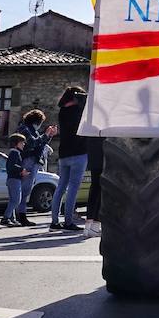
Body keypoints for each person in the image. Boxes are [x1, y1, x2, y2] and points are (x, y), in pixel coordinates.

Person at [50, 87, 88, 232]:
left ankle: (54, 221)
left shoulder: (62, 112)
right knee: (73, 188)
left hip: (64, 153)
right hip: (79, 152)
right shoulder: (79, 111)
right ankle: (68, 221)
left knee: (61, 187)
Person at [16, 109, 56, 226]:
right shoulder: (25, 129)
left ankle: (20, 214)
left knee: (26, 189)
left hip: (33, 161)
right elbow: (32, 143)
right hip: (28, 160)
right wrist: (45, 135)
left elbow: (41, 144)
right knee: (24, 189)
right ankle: (20, 215)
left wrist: (49, 136)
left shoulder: (32, 130)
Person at [1, 132, 29, 227]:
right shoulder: (14, 153)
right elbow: (11, 166)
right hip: (14, 180)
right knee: (16, 200)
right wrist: (22, 170)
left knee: (13, 200)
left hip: (14, 179)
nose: (24, 144)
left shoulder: (15, 153)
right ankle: (6, 218)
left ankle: (11, 218)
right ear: (16, 143)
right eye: (22, 142)